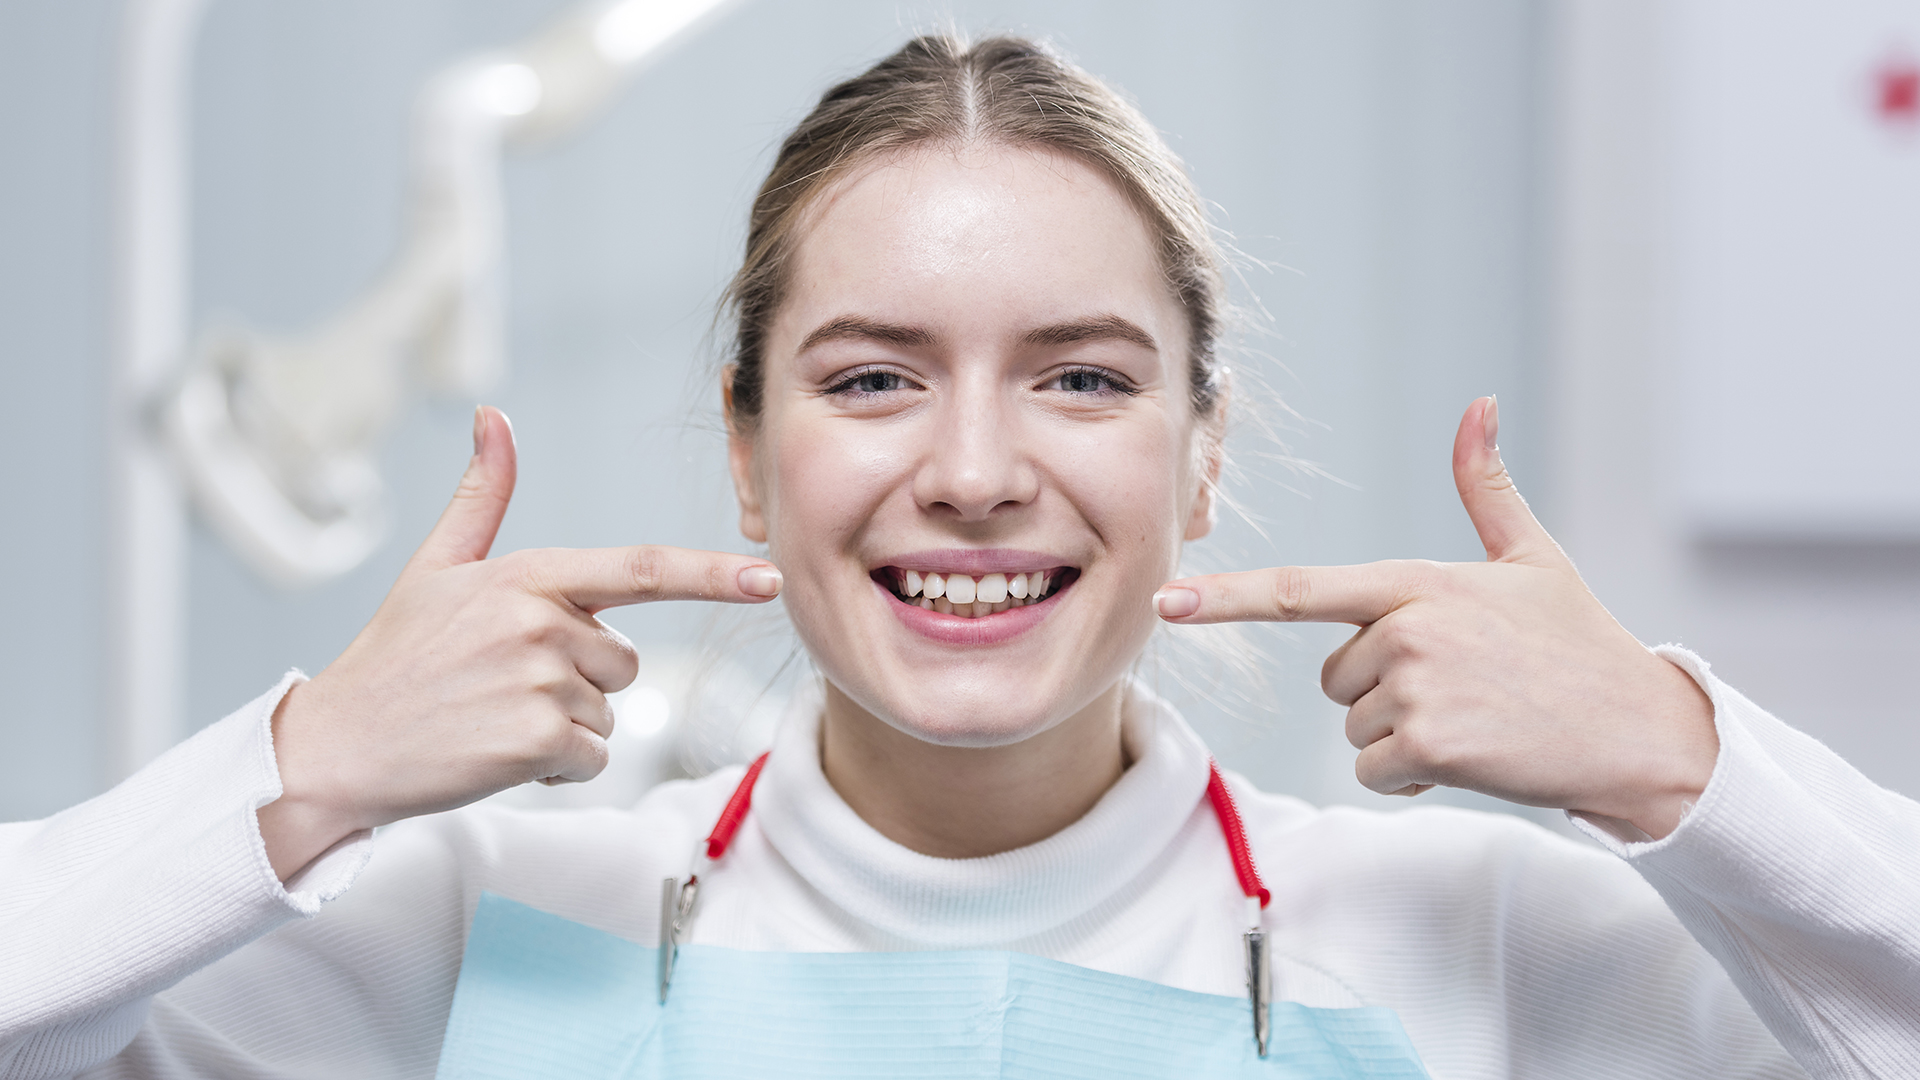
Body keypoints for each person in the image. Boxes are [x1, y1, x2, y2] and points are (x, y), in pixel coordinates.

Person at [3, 34, 1916, 1080]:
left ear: (1204, 453)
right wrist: (303, 773)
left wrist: (1687, 759)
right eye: (872, 380)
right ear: (750, 455)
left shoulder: (1473, 943)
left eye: (1083, 377)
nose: (978, 471)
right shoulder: (471, 928)